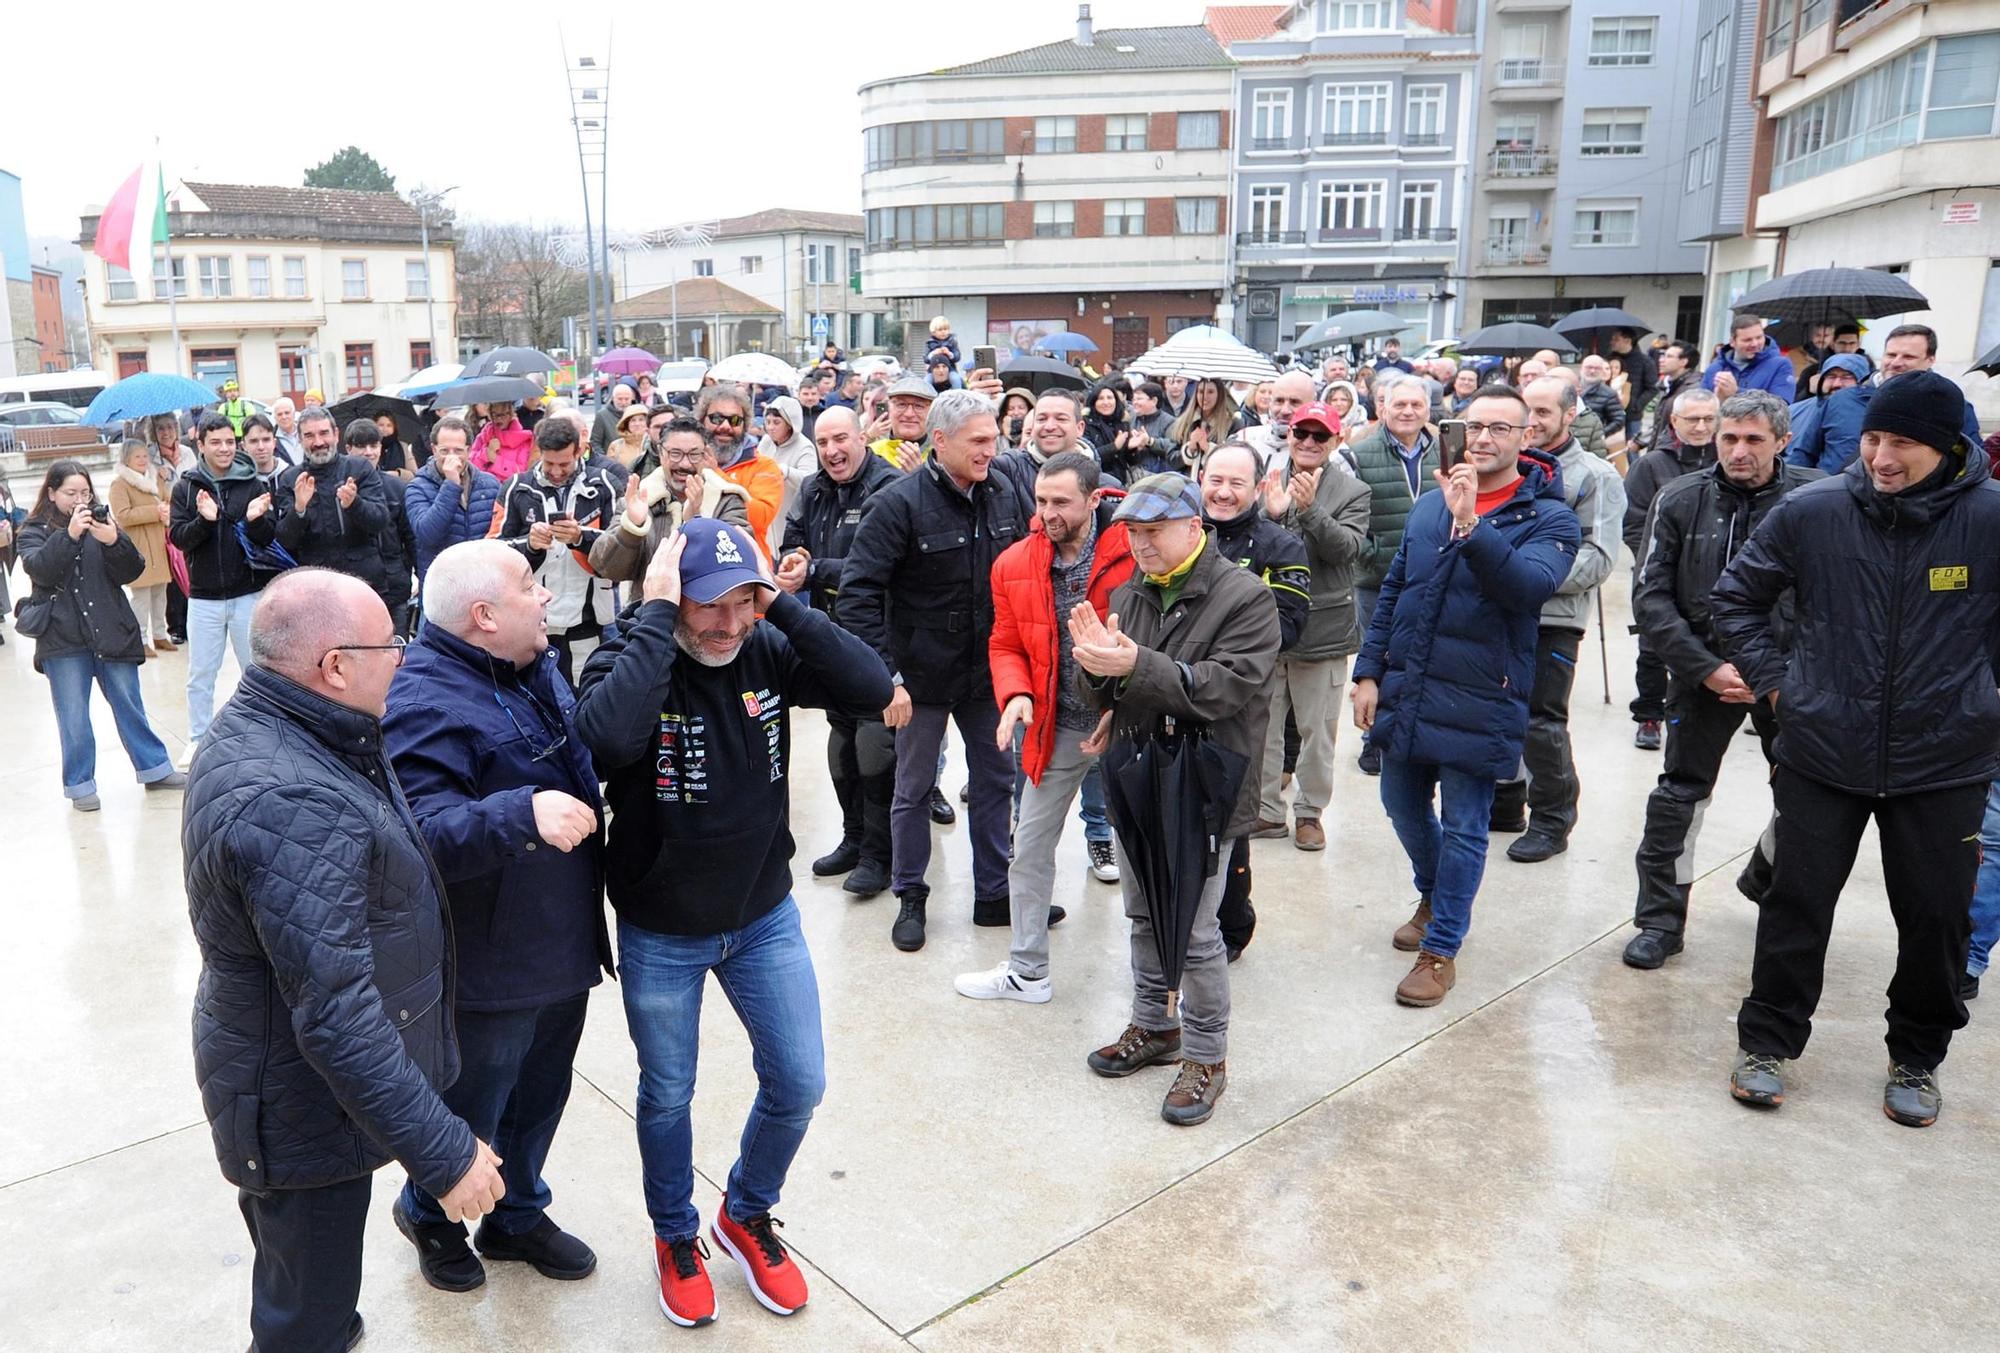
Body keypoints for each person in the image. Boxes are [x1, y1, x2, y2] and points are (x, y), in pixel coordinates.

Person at [573, 516, 891, 1326]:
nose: (722, 623)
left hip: (762, 915)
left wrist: (779, 605)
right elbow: (605, 739)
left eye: (739, 603)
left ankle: (746, 1211)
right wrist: (651, 615)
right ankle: (676, 1233)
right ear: (674, 598)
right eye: (706, 604)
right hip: (662, 927)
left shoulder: (763, 641)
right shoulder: (631, 651)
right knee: (668, 1092)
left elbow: (868, 685)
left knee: (800, 1080)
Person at [184, 568, 506, 1352]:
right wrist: (444, 1150)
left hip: (306, 1094)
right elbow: (336, 1012)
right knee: (304, 1320)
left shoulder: (312, 726)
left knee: (314, 1292)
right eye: (389, 642)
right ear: (333, 665)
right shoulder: (292, 795)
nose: (403, 653)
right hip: (301, 1112)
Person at [1710, 371, 2000, 1128]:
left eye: (1901, 443)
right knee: (1795, 904)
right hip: (1823, 750)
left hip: (1946, 760)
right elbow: (1735, 597)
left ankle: (1917, 1057)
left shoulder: (1991, 520)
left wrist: (1986, 694)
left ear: (1946, 446)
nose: (1880, 457)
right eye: (1873, 438)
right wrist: (1778, 686)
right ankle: (1767, 1044)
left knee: (1938, 917)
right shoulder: (1815, 511)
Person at [381, 540, 610, 1293]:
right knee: (476, 1103)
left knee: (542, 1094)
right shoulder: (422, 698)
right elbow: (422, 833)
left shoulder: (528, 666)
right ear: (483, 615)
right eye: (527, 586)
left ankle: (515, 1214)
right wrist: (522, 810)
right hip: (492, 960)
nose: (545, 596)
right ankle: (432, 1211)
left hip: (559, 938)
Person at [1353, 386, 1582, 1006]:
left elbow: (1526, 588)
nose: (1483, 438)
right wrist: (1369, 671)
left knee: (1465, 825)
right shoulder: (1429, 504)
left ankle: (1442, 948)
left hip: (1482, 691)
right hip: (1412, 682)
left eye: (1500, 429)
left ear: (1524, 438)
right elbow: (1396, 588)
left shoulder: (1550, 517)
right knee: (1400, 802)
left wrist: (1471, 523)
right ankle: (1433, 894)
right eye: (1473, 425)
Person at [1072, 471, 1281, 1126]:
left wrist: (1131, 667)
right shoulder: (1130, 593)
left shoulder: (1245, 596)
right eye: (1132, 533)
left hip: (1203, 784)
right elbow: (1108, 689)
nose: (1140, 545)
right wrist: (1095, 673)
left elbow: (1222, 688)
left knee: (1193, 930)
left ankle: (1208, 1056)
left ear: (1195, 527)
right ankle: (1153, 1025)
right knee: (1140, 913)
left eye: (1153, 531)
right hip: (1139, 774)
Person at [1625, 392, 1819, 969]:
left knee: (1806, 797)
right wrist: (1703, 668)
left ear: (1782, 441)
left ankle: (1767, 873)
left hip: (1788, 675)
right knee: (1678, 798)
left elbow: (1837, 598)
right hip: (1702, 670)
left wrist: (1780, 672)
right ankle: (1660, 920)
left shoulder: (1816, 499)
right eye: (1729, 438)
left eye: (1753, 439)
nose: (1738, 450)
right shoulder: (1680, 497)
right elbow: (1650, 595)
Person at [839, 389, 1028, 952]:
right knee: (913, 788)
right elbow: (857, 597)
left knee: (997, 780)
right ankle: (911, 896)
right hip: (917, 680)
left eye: (994, 439)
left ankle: (994, 894)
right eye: (978, 441)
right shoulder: (897, 504)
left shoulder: (1005, 495)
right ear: (939, 442)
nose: (990, 450)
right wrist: (886, 677)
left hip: (984, 674)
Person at [956, 451, 1135, 1003]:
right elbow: (1005, 641)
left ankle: (1158, 979)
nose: (1048, 512)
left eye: (1061, 502)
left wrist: (1124, 706)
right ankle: (1027, 970)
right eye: (1040, 501)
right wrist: (1015, 695)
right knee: (1029, 847)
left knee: (1143, 853)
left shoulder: (1134, 550)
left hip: (1127, 723)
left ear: (1092, 498)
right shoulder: (1014, 562)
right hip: (1054, 726)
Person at [1489, 377, 1625, 860]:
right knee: (1496, 712)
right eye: (1528, 411)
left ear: (1571, 415)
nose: (1535, 422)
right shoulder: (1506, 465)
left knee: (1542, 722)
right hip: (1497, 611)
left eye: (1545, 412)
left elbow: (1600, 557)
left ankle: (1552, 820)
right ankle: (1505, 805)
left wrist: (1528, 575)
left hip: (1554, 616)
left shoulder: (1595, 476)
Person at [777, 407, 902, 898]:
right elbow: (794, 538)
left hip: (880, 634)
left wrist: (815, 570)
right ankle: (854, 840)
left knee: (875, 746)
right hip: (830, 635)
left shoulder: (888, 487)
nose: (831, 451)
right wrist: (795, 558)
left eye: (840, 439)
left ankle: (880, 855)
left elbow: (875, 564)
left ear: (861, 438)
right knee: (841, 743)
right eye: (823, 441)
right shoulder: (812, 488)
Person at [16, 459, 186, 810]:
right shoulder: (33, 529)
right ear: (51, 493)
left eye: (84, 491)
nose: (79, 499)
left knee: (130, 704)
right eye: (70, 493)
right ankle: (80, 785)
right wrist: (71, 535)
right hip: (62, 639)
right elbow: (40, 570)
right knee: (73, 716)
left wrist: (112, 541)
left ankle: (154, 769)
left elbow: (132, 570)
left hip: (111, 630)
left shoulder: (102, 521)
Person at [1198, 440, 1310, 960]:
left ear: (1259, 486)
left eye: (1235, 483)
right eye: (1214, 480)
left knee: (1232, 813)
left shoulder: (1279, 545)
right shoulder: (1179, 533)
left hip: (1241, 703)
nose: (1222, 492)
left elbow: (1287, 627)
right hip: (1174, 696)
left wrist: (1207, 650)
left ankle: (1232, 924)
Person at [1253, 402, 1371, 850]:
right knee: (1262, 727)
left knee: (1316, 731)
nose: (1307, 442)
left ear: (1335, 442)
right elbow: (1251, 544)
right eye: (1301, 432)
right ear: (1288, 435)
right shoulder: (1267, 480)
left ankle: (1309, 813)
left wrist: (1308, 511)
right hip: (1267, 626)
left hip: (1322, 632)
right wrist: (1272, 514)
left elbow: (1347, 551)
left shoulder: (1353, 491)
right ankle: (1265, 810)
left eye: (1319, 436)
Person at [172, 414, 284, 767]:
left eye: (229, 442)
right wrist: (204, 520)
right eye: (215, 442)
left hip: (246, 592)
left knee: (256, 668)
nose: (224, 449)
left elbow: (268, 537)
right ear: (200, 445)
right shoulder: (186, 487)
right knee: (201, 673)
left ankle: (268, 733)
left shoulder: (251, 482)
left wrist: (255, 520)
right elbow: (179, 538)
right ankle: (197, 737)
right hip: (204, 597)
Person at [1347, 373, 1438, 775]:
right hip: (1378, 578)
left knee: (1428, 657)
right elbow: (1349, 516)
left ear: (1428, 411)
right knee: (1378, 659)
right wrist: (1373, 551)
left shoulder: (1447, 453)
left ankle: (1419, 734)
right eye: (1399, 404)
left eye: (1416, 405)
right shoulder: (1359, 453)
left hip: (1436, 575)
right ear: (1382, 408)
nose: (1407, 412)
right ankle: (1375, 739)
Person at [1621, 388, 1721, 748]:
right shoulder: (1651, 465)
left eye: (1709, 418)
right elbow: (1632, 522)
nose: (1700, 426)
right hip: (1661, 569)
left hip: (1717, 570)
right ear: (1674, 422)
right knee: (1653, 645)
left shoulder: (1726, 460)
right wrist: (1652, 557)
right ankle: (1649, 715)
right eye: (1692, 419)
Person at [495, 416, 619, 685]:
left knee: (585, 693)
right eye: (549, 463)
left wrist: (580, 537)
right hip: (534, 620)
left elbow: (622, 551)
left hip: (589, 618)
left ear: (578, 451)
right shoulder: (516, 487)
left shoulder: (604, 484)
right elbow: (494, 550)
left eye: (564, 463)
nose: (556, 471)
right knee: (538, 693)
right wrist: (530, 544)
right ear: (540, 452)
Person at [1785, 325, 1982, 474]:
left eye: (1908, 357)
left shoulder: (1953, 407)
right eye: (1891, 354)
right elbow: (1804, 454)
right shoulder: (1842, 400)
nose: (1896, 363)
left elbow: (1972, 464)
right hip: (1835, 504)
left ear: (1930, 359)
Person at [589, 418, 751, 585]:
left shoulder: (727, 499)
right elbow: (605, 567)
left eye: (694, 454)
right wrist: (632, 528)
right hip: (648, 608)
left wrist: (696, 523)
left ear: (705, 454)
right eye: (675, 454)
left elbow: (741, 562)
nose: (685, 463)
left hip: (710, 609)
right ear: (661, 453)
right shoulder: (639, 498)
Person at [275, 405, 393, 582]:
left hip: (362, 580)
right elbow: (285, 540)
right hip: (316, 581)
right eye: (309, 436)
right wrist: (299, 510)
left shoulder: (359, 468)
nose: (318, 442)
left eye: (323, 433)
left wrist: (355, 504)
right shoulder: (291, 479)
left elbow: (380, 521)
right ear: (299, 439)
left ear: (336, 434)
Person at [406, 416, 504, 590]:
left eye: (458, 450)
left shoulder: (490, 484)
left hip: (481, 581)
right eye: (445, 451)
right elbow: (427, 534)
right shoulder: (417, 487)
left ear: (468, 450)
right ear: (434, 450)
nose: (452, 457)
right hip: (441, 585)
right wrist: (451, 485)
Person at [697, 384, 784, 555]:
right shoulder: (687, 463)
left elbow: (759, 519)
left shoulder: (764, 466)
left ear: (744, 426)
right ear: (701, 421)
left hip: (748, 567)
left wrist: (715, 474)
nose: (725, 426)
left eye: (735, 420)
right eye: (716, 418)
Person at [109, 438, 172, 655]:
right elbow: (122, 515)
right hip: (138, 546)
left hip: (159, 544)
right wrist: (155, 512)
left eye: (145, 456)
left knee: (160, 594)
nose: (143, 460)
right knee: (141, 597)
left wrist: (165, 502)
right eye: (137, 456)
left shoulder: (156, 478)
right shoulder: (120, 484)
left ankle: (160, 634)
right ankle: (141, 638)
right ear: (127, 459)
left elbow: (168, 500)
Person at [995, 387, 1092, 503]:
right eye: (1042, 419)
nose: (1049, 426)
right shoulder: (1005, 469)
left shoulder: (1105, 484)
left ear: (1079, 428)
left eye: (1061, 419)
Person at [757, 394, 817, 547]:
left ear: (790, 424)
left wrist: (786, 471)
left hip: (790, 512)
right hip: (767, 509)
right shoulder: (766, 442)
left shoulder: (805, 447)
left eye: (776, 422)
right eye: (768, 422)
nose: (770, 427)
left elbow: (811, 481)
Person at [1704, 313, 1797, 402]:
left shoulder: (1780, 365)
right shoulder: (1715, 368)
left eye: (1759, 337)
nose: (1755, 344)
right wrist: (1716, 401)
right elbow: (1702, 404)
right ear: (1732, 342)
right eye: (1747, 340)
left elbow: (1782, 405)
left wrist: (1736, 392)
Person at [1636, 340, 1702, 455]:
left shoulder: (1693, 390)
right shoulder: (1668, 386)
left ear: (1683, 362)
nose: (1661, 360)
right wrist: (1640, 441)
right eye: (1663, 356)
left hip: (1677, 454)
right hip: (1662, 451)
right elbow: (1660, 423)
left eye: (1669, 356)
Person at [868, 371, 937, 470]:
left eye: (919, 406)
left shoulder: (943, 457)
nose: (909, 414)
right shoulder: (871, 454)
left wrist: (921, 476)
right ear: (889, 408)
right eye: (901, 405)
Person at [1171, 378, 1241, 464]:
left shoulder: (1233, 424)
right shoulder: (1184, 421)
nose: (1205, 397)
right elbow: (1171, 458)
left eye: (1210, 392)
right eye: (1201, 392)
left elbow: (1235, 460)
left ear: (1219, 395)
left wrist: (1208, 448)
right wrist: (1190, 449)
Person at [1124, 382, 1179, 473]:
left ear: (1154, 401)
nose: (1135, 403)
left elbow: (1173, 447)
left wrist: (1150, 442)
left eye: (1139, 399)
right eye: (1134, 399)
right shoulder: (1131, 418)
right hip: (1132, 471)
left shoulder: (1170, 421)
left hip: (1158, 474)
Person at [472, 401, 536, 479]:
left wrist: (496, 459)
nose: (499, 418)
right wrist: (485, 454)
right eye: (494, 414)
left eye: (503, 414)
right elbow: (470, 467)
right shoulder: (483, 436)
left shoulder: (523, 439)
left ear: (511, 415)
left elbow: (522, 473)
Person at [240, 413, 289, 494]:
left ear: (274, 442)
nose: (261, 447)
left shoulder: (291, 476)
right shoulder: (239, 482)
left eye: (266, 440)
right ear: (243, 446)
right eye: (254, 441)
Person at [1083, 382, 1129, 466]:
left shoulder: (1122, 423)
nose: (1106, 402)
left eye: (1110, 398)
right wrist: (1114, 447)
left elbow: (1130, 461)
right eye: (1100, 398)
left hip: (1120, 477)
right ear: (1093, 402)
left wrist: (1133, 448)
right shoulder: (1086, 424)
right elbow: (1086, 456)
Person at [591, 380, 637, 455]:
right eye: (620, 399)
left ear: (632, 399)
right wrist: (605, 460)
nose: (623, 402)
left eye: (626, 399)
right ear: (613, 398)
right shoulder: (602, 416)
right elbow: (595, 443)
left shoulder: (638, 414)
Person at [373, 412, 420, 482]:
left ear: (394, 428)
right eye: (381, 425)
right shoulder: (369, 446)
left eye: (389, 425)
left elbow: (415, 474)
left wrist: (399, 473)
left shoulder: (402, 446)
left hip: (398, 489)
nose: (385, 428)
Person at [271, 396, 304, 464]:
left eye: (287, 413)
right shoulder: (271, 439)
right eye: (279, 414)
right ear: (275, 417)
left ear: (294, 414)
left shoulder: (306, 433)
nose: (284, 417)